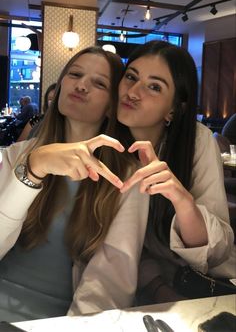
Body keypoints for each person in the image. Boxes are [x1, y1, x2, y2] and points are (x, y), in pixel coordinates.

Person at [0, 46, 149, 322]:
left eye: (99, 83)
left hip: (62, 321)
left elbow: (111, 283)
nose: (81, 86)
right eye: (75, 74)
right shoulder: (17, 155)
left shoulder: (126, 177)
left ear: (111, 106)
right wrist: (34, 169)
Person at [116, 40, 235, 304]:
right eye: (131, 77)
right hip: (137, 288)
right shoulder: (106, 143)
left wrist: (182, 201)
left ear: (174, 109)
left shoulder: (195, 141)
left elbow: (217, 251)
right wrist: (158, 287)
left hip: (206, 290)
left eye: (154, 87)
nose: (133, 92)